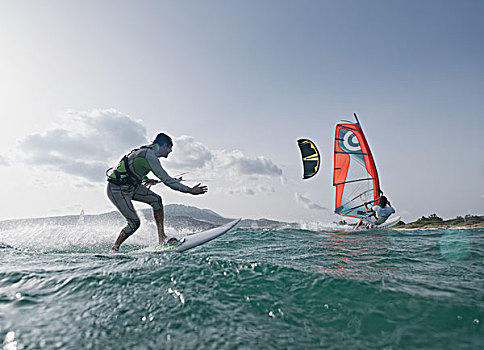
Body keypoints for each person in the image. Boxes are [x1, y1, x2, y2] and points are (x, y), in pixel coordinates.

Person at [106, 133, 207, 253]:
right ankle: (115, 248)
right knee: (134, 223)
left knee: (156, 200)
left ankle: (161, 238)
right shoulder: (149, 156)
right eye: (170, 148)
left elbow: (133, 168)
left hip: (131, 187)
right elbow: (167, 180)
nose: (169, 153)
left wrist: (146, 179)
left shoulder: (147, 151)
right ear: (164, 145)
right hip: (116, 189)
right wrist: (189, 190)